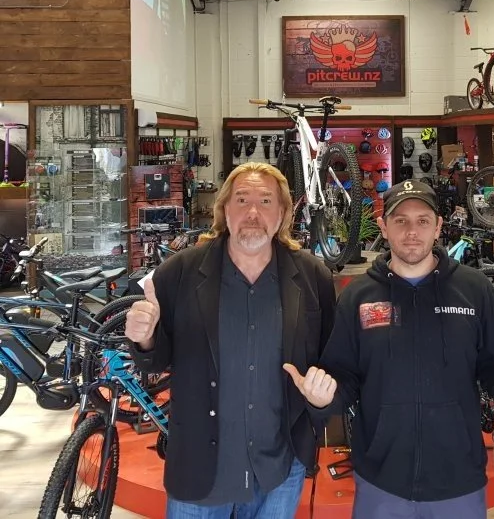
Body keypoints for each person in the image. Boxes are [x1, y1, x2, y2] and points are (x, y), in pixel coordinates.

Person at [285, 179, 494, 519]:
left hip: (459, 481)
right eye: (400, 221)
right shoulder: (359, 296)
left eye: (423, 220)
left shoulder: (474, 289)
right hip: (381, 481)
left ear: (438, 226)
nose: (412, 231)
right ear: (384, 226)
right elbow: (343, 376)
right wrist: (322, 399)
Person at [125, 162, 337, 519]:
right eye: (242, 199)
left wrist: (321, 400)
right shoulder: (180, 272)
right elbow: (155, 361)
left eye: (266, 201)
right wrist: (144, 339)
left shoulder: (313, 276)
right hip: (202, 468)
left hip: (279, 468)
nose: (253, 212)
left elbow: (332, 361)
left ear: (283, 213)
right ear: (224, 208)